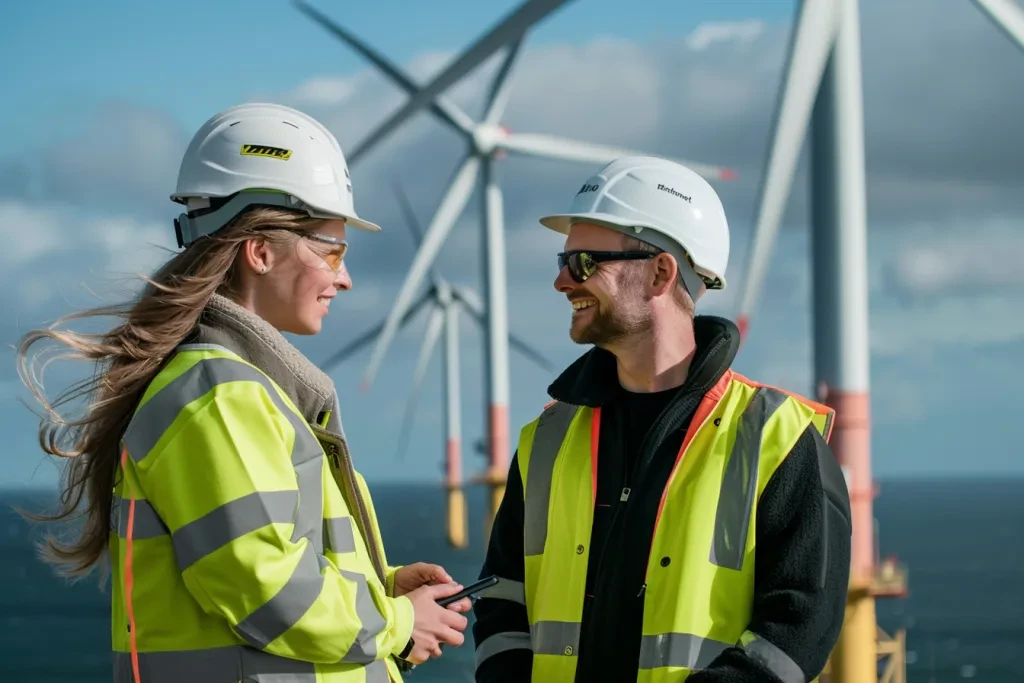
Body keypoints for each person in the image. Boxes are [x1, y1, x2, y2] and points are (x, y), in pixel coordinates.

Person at [17, 102, 471, 683]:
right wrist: (396, 623)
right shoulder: (219, 396)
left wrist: (381, 588)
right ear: (260, 252)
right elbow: (265, 591)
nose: (345, 276)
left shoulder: (245, 392)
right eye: (332, 249)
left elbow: (269, 561)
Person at [471, 155, 852, 682]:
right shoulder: (547, 440)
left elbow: (795, 636)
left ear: (659, 272)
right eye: (563, 261)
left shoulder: (778, 440)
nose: (561, 280)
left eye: (583, 262)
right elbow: (504, 601)